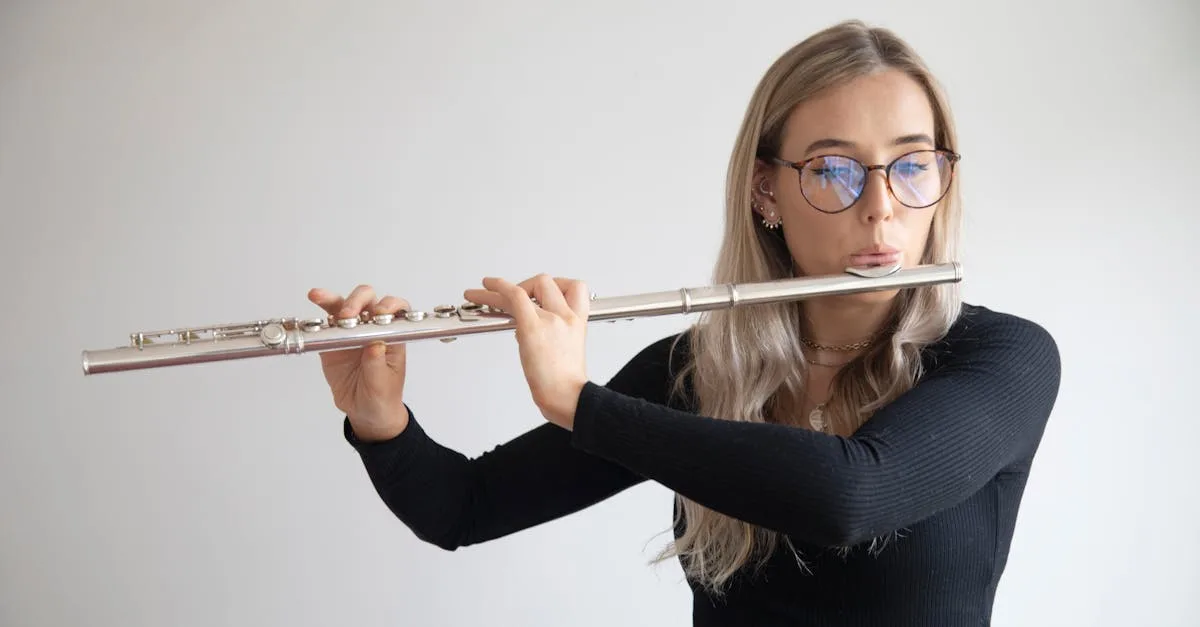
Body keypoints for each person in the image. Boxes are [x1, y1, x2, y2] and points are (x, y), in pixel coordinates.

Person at [306, 18, 1061, 626]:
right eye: (833, 169)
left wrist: (578, 401)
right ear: (766, 191)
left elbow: (849, 497)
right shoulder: (701, 370)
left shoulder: (1002, 357)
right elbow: (462, 507)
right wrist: (381, 420)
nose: (881, 206)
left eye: (912, 164)